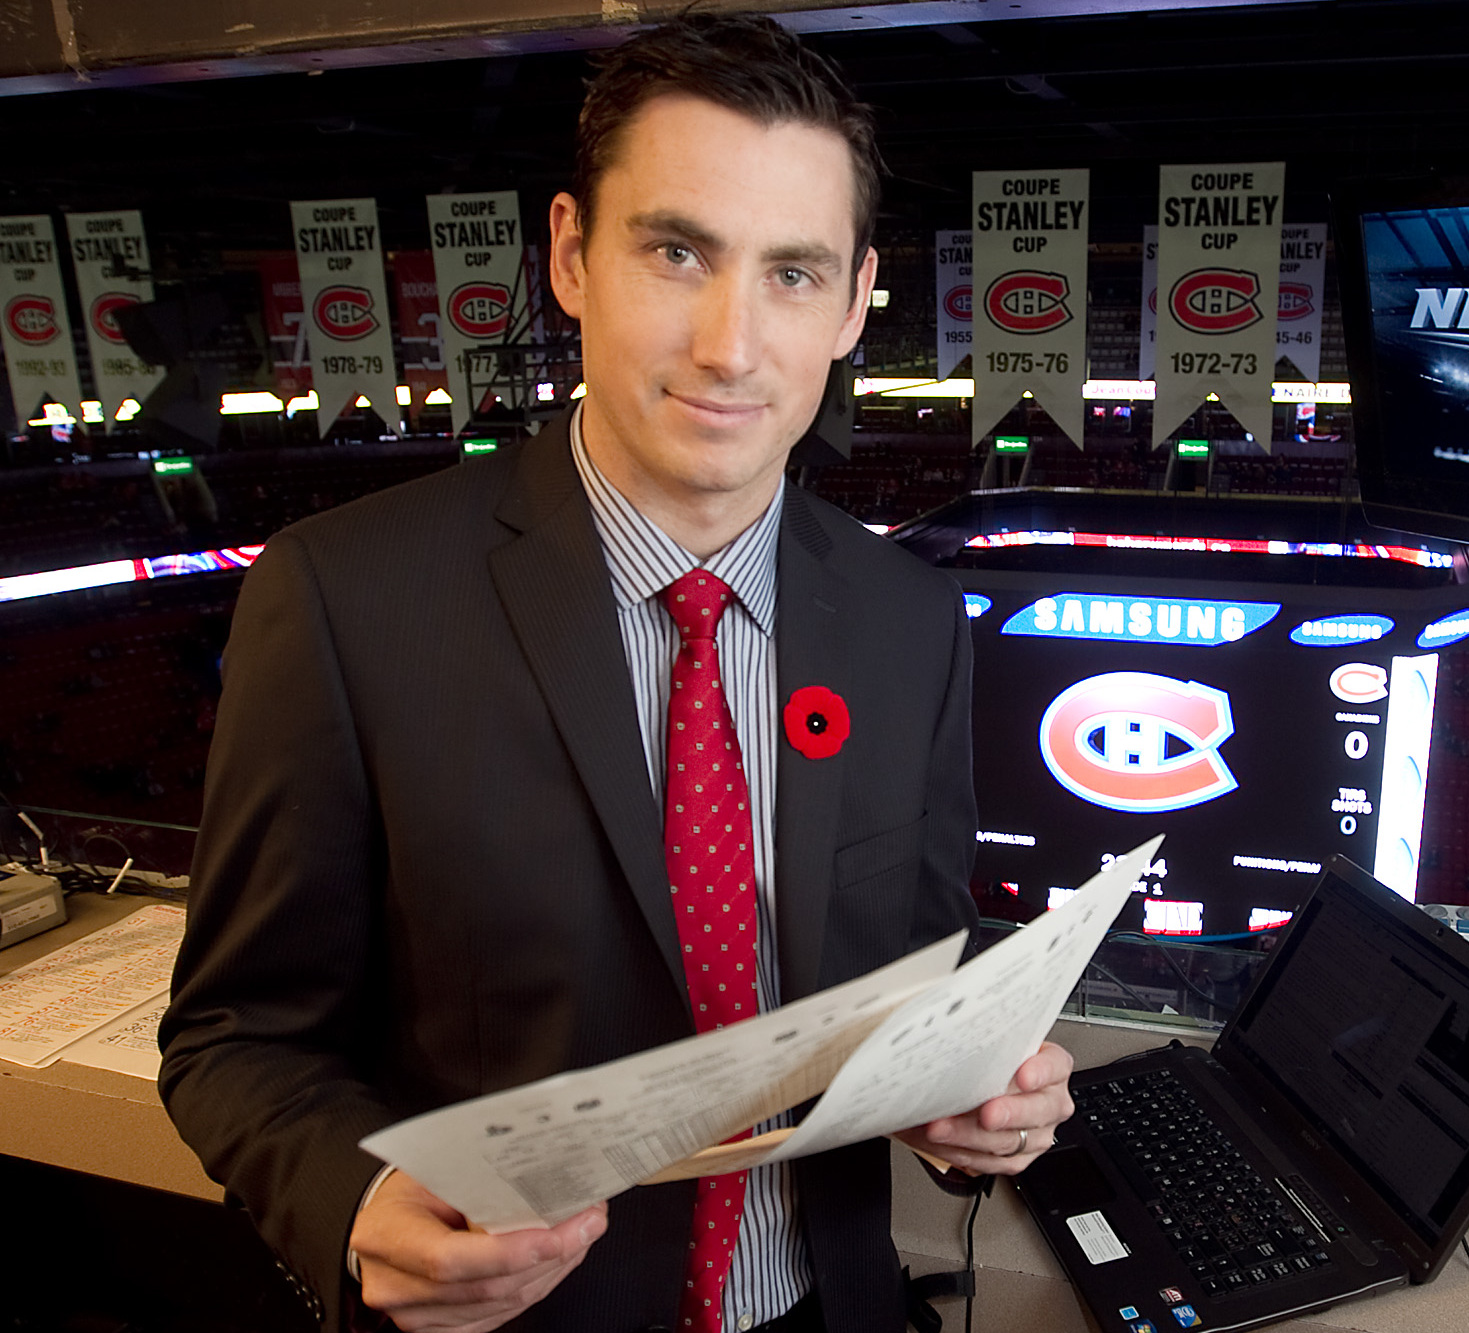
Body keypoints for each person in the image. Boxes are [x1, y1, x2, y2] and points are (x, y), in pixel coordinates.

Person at [158, 18, 1073, 1333]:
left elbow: (921, 956)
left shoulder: (908, 616)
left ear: (858, 299)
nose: (729, 345)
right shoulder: (347, 599)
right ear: (573, 255)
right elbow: (235, 1041)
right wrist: (356, 1205)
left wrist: (981, 1080)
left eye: (794, 274)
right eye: (677, 251)